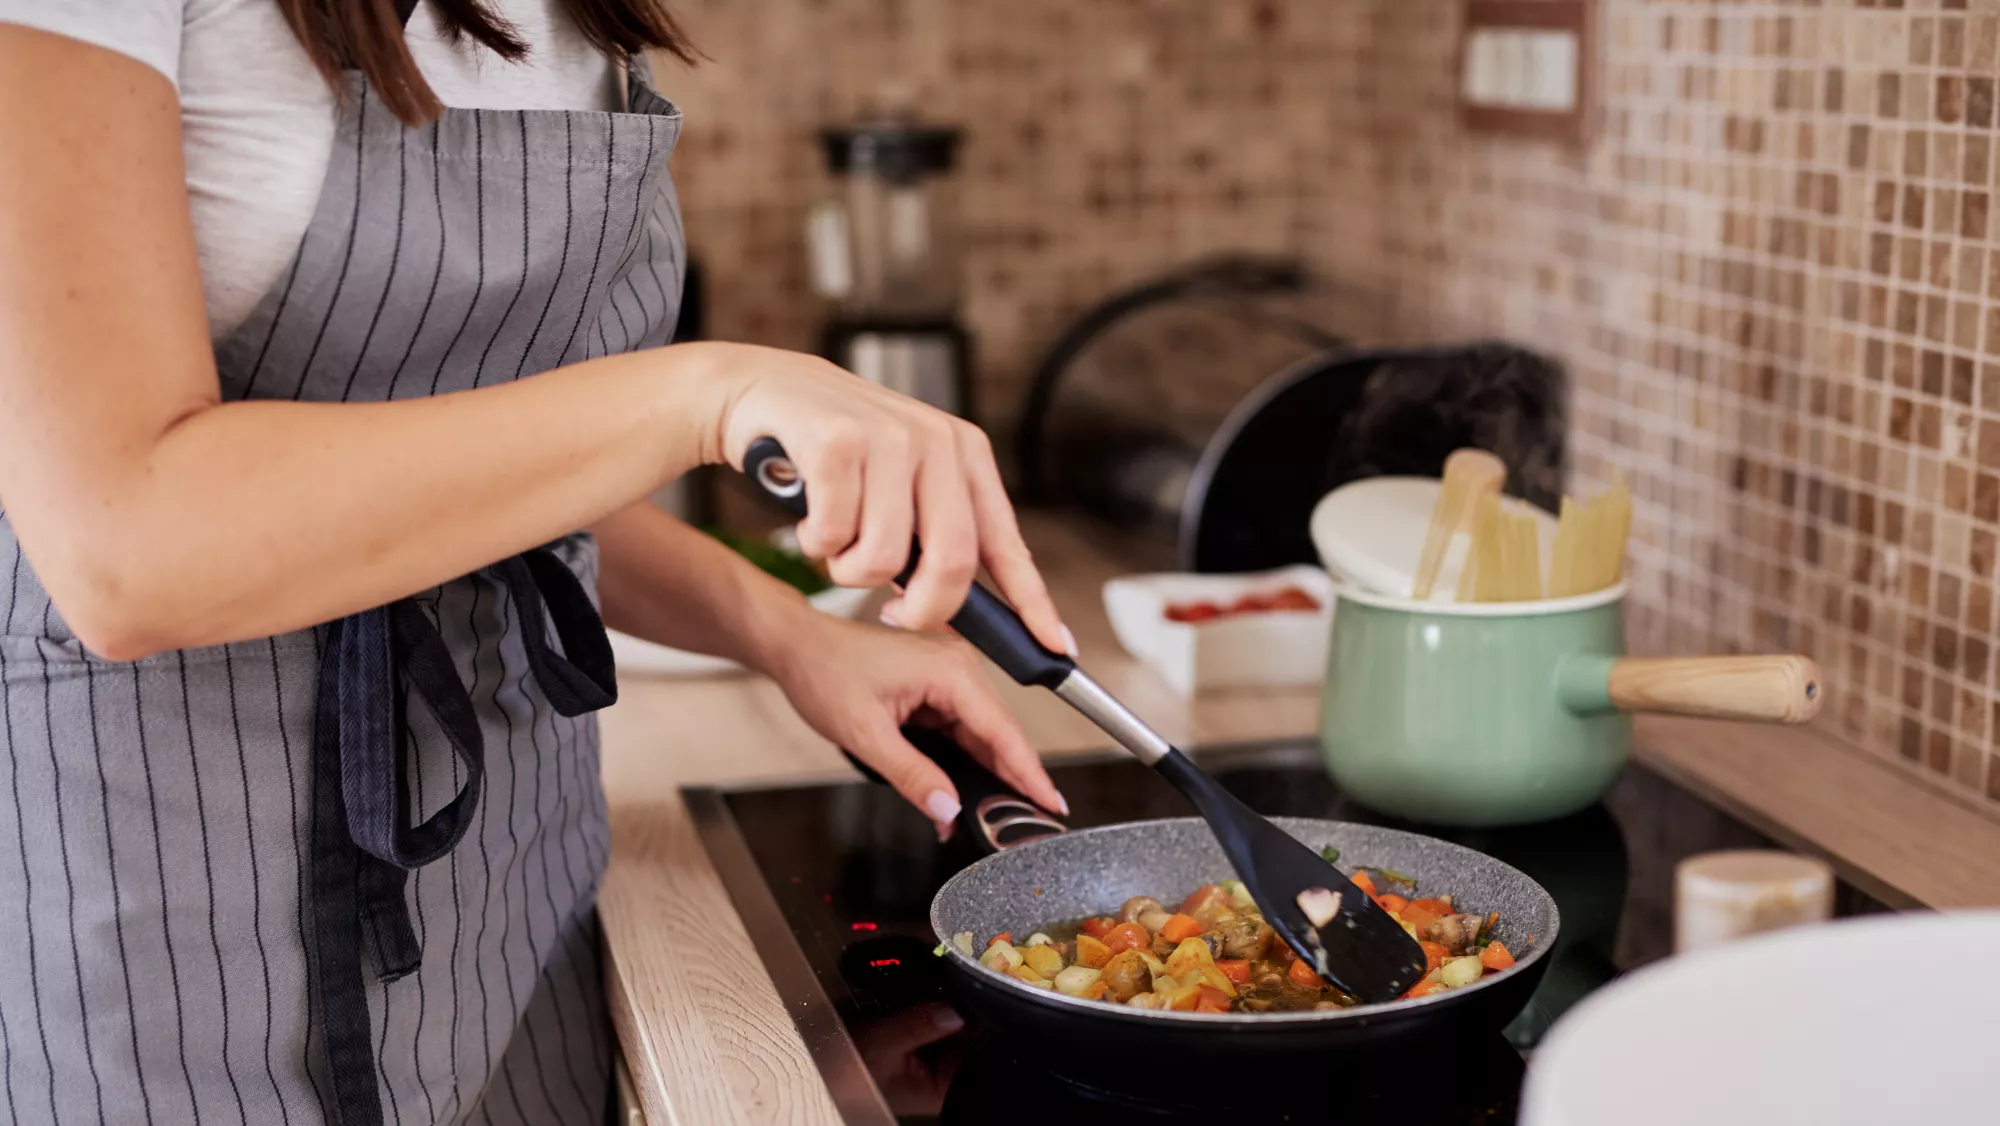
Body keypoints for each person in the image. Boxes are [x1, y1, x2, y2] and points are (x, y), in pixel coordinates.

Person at [0, 2, 1072, 1122]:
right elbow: (126, 543)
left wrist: (785, 632)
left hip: (516, 873)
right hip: (171, 904)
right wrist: (699, 394)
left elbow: (465, 466)